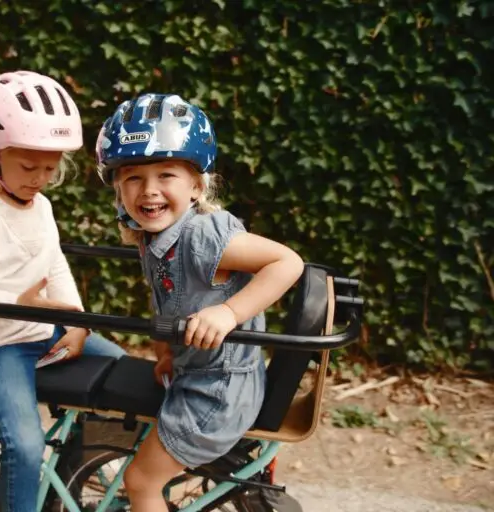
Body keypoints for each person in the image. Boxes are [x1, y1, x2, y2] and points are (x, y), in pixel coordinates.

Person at [94, 93, 305, 511]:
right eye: (133, 177)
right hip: (200, 378)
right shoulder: (154, 239)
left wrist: (229, 312)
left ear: (196, 185)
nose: (149, 191)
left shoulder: (203, 236)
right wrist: (167, 354)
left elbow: (287, 262)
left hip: (218, 394)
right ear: (118, 187)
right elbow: (168, 303)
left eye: (166, 175)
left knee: (140, 482)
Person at [0, 70, 126, 512]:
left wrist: (77, 320)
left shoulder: (40, 204)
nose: (41, 178)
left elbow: (53, 261)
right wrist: (18, 307)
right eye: (29, 166)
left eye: (50, 167)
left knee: (125, 379)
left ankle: (68, 481)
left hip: (42, 329)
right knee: (24, 447)